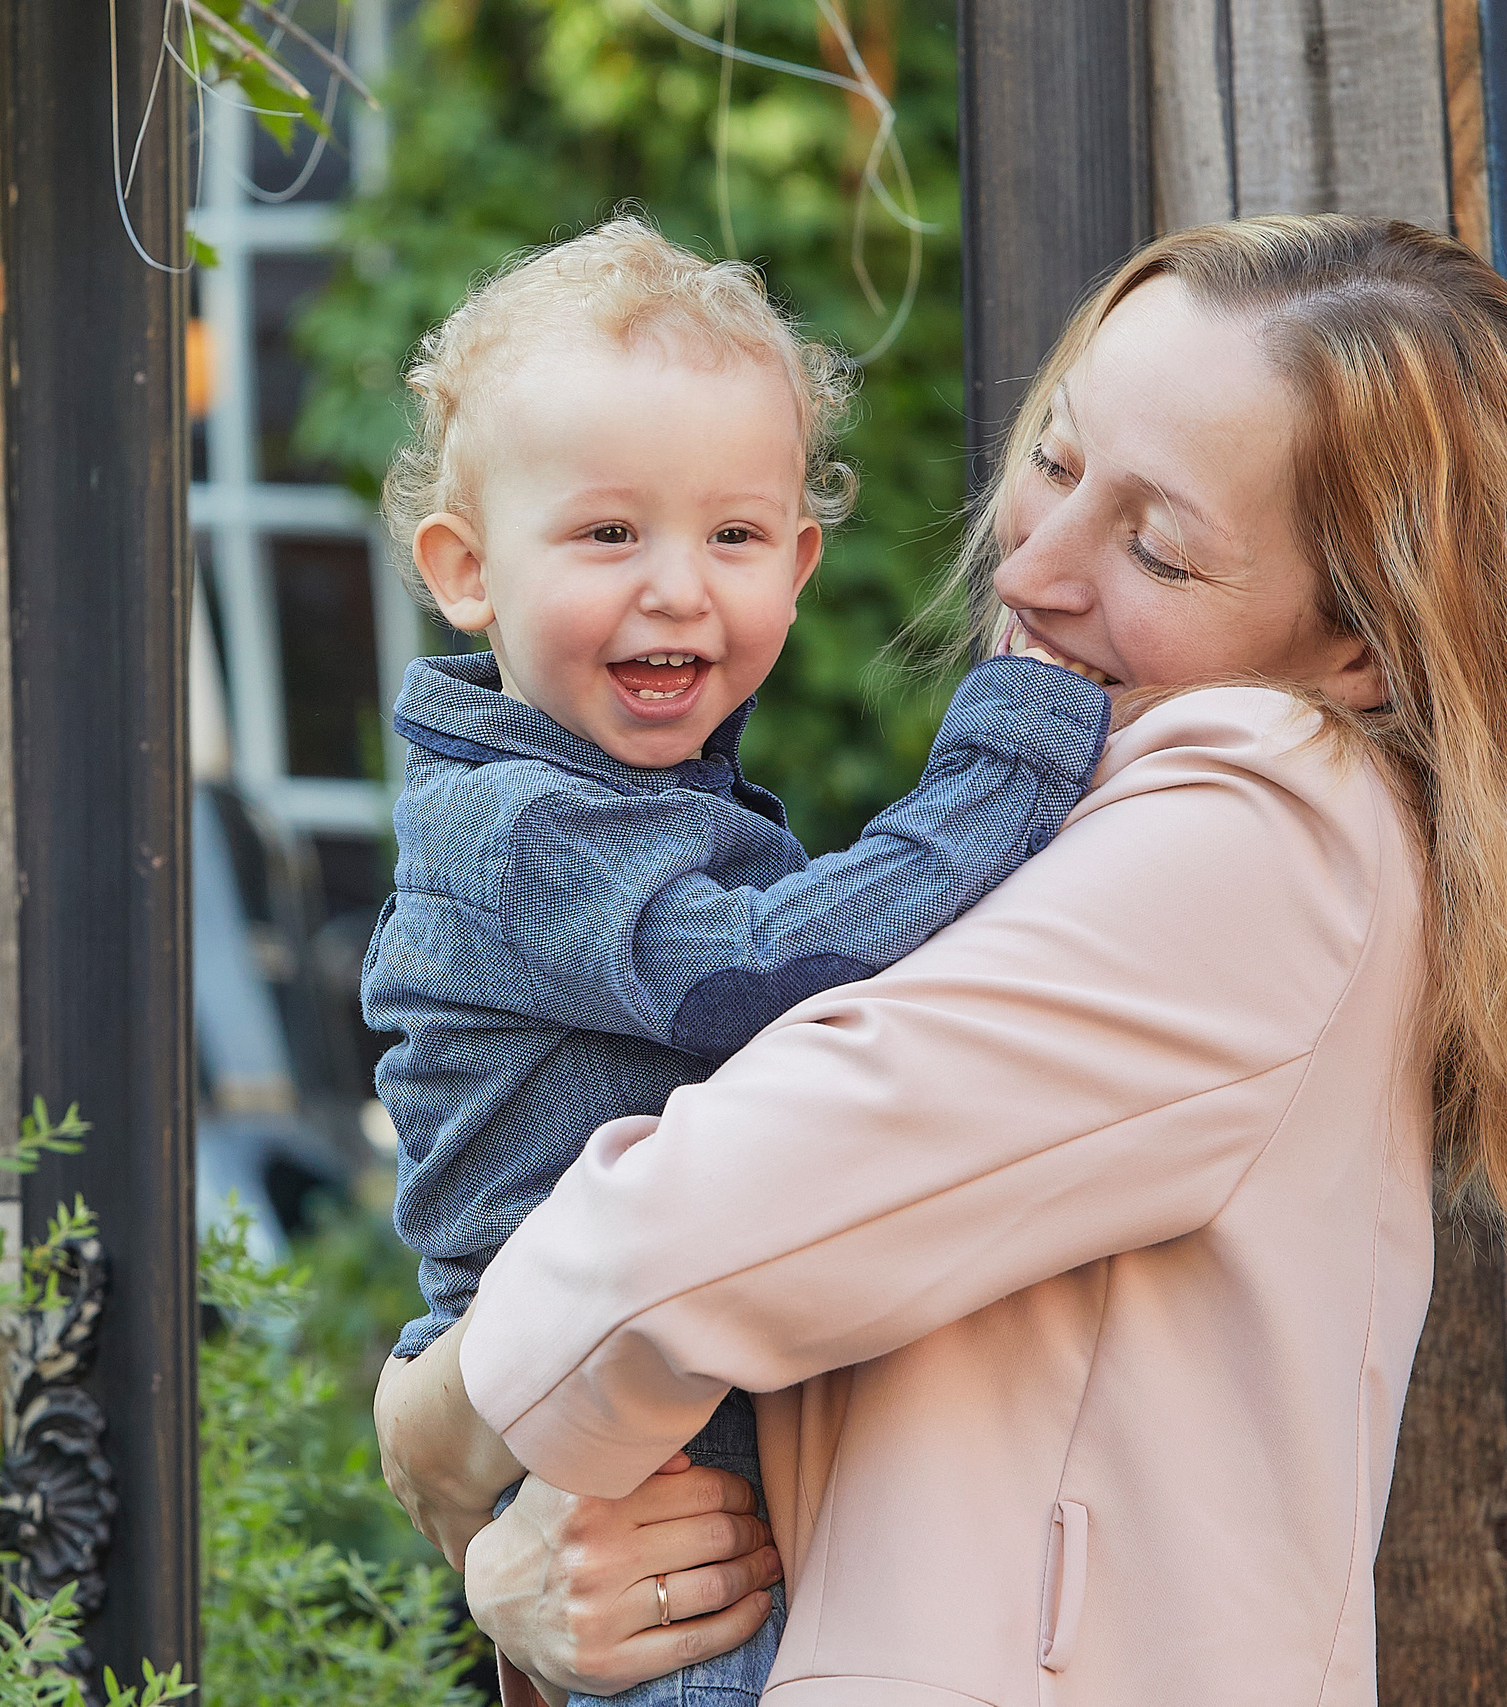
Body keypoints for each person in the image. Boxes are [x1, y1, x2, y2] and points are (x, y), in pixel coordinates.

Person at [377, 214, 1507, 1705]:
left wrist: (442, 1423)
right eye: (1054, 463)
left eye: (1159, 548)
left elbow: (699, 1225)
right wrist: (542, 1559)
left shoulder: (1264, 821)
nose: (1036, 568)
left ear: (1363, 649)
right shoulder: (1114, 817)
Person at [361, 217, 1114, 1706]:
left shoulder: (628, 801)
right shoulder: (522, 832)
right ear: (466, 572)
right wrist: (1013, 748)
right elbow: (773, 973)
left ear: (800, 559)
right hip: (639, 1484)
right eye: (604, 533)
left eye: (733, 534)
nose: (677, 588)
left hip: (626, 1414)